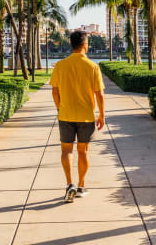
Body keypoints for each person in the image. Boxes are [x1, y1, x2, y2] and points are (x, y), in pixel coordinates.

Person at [50, 30, 106, 203]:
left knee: (67, 150)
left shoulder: (60, 66)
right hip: (86, 116)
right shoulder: (93, 67)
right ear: (84, 45)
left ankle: (69, 184)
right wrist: (102, 115)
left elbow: (55, 91)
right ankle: (81, 186)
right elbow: (100, 94)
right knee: (83, 152)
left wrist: (60, 108)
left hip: (66, 114)